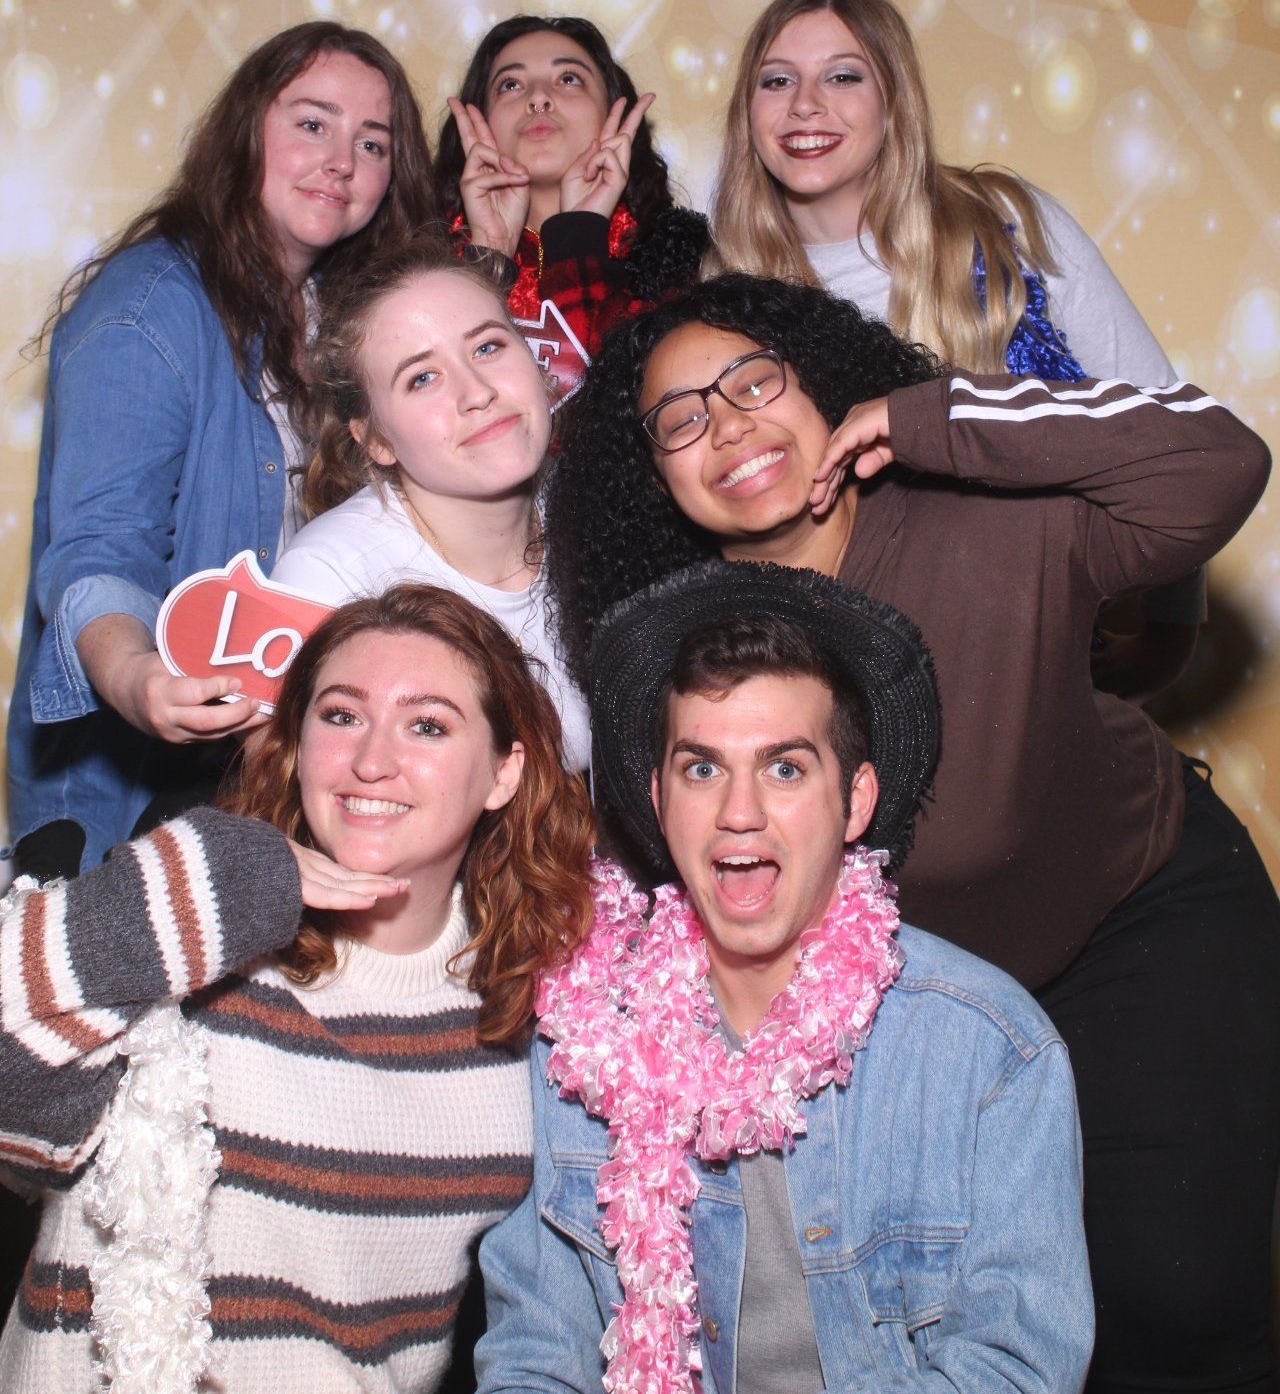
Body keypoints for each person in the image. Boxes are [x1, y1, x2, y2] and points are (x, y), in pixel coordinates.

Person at [542, 273, 1280, 1394]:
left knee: (1169, 1299)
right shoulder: (685, 648)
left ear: (820, 385)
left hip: (1131, 924)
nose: (726, 425)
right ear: (656, 477)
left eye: (753, 381)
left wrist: (938, 416)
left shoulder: (987, 521)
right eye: (679, 419)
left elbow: (1217, 464)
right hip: (900, 1015)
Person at [475, 562, 1094, 1393]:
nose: (740, 812)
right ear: (659, 800)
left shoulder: (990, 1053)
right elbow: (536, 1357)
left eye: (786, 769)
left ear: (856, 801)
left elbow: (1014, 1373)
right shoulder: (580, 1042)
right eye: (702, 770)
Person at [0, 583, 595, 1393]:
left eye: (427, 725)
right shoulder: (192, 936)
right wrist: (214, 878)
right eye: (341, 715)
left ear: (504, 771)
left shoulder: (530, 1024)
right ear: (297, 742)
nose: (371, 760)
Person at [7, 22, 439, 873]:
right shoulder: (146, 309)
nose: (342, 161)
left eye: (372, 142)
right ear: (245, 131)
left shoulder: (335, 314)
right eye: (312, 123)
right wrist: (138, 676)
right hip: (133, 794)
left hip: (271, 767)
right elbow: (99, 546)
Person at [710, 0, 1201, 700]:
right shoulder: (722, 293)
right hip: (837, 689)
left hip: (1031, 661)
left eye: (843, 76)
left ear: (894, 100)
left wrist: (1170, 631)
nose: (805, 104)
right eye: (776, 80)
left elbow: (1161, 426)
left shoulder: (1002, 227)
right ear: (746, 112)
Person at [273, 240, 590, 773]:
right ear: (375, 439)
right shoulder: (328, 580)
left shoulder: (597, 512)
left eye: (487, 347)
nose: (477, 392)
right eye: (422, 378)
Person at [437, 13, 707, 401]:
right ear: (480, 120)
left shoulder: (675, 261)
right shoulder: (427, 263)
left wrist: (578, 233)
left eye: (568, 79)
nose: (538, 98)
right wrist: (488, 259)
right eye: (510, 85)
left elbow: (633, 404)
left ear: (612, 112)